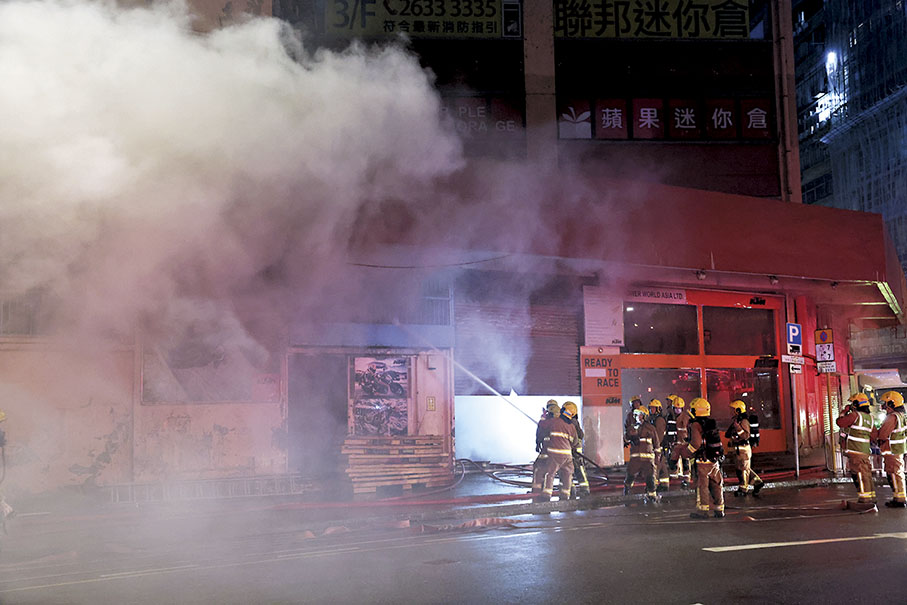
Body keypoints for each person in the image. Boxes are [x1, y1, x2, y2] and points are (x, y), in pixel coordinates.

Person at [671, 397, 724, 518]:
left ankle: (702, 511)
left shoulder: (696, 424)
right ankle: (719, 509)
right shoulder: (710, 423)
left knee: (702, 486)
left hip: (702, 461)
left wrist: (687, 453)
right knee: (716, 484)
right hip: (714, 460)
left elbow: (696, 443)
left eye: (693, 409)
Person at [534, 402, 579, 503]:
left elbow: (542, 425)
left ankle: (546, 495)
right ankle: (565, 496)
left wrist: (544, 416)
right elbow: (575, 442)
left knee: (550, 474)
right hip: (567, 455)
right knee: (567, 476)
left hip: (555, 454)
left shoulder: (554, 421)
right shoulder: (571, 426)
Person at [836, 393, 876, 504]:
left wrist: (844, 412)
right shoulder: (870, 418)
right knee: (866, 474)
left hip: (855, 451)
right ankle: (871, 496)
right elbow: (873, 436)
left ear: (855, 404)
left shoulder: (855, 415)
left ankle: (864, 498)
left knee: (859, 475)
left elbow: (840, 422)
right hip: (864, 451)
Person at [873, 391, 906, 508]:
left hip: (891, 451)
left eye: (886, 404)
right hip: (897, 450)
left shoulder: (892, 417)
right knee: (897, 473)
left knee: (893, 474)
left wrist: (875, 433)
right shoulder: (901, 416)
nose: (884, 407)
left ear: (892, 403)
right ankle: (899, 497)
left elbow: (883, 434)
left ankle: (899, 499)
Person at [725, 400, 764, 497]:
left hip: (744, 449)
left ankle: (743, 489)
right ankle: (757, 482)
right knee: (743, 468)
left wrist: (738, 428)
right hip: (738, 449)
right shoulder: (737, 420)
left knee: (743, 469)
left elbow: (746, 435)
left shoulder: (744, 421)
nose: (731, 411)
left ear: (738, 410)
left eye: (733, 409)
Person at [624, 406, 659, 504]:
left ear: (644, 416)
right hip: (635, 459)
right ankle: (627, 491)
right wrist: (630, 435)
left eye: (639, 415)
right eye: (636, 415)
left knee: (650, 477)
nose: (636, 417)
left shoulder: (651, 428)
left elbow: (656, 444)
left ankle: (652, 495)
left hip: (648, 459)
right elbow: (625, 440)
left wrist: (657, 459)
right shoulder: (632, 427)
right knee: (630, 474)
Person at [531, 400, 561, 495]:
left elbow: (540, 431)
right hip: (561, 450)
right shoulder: (563, 419)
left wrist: (538, 443)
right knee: (563, 470)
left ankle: (538, 489)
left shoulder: (547, 420)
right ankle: (567, 490)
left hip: (548, 449)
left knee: (539, 467)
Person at [562, 401, 591, 498]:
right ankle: (579, 489)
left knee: (575, 470)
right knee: (575, 470)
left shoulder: (571, 422)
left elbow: (579, 435)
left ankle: (579, 490)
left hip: (574, 452)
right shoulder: (571, 421)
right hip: (572, 451)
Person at [666, 395, 691, 487]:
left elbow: (690, 431)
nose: (677, 410)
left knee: (685, 463)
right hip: (675, 445)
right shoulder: (671, 417)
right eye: (676, 408)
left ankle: (686, 480)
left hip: (684, 444)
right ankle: (673, 479)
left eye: (679, 409)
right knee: (672, 461)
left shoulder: (686, 418)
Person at [648, 399, 670, 492]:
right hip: (659, 447)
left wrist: (655, 446)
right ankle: (665, 485)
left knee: (656, 466)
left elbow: (659, 435)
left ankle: (654, 487)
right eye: (650, 408)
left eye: (653, 408)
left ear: (658, 409)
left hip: (659, 447)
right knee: (662, 466)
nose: (651, 410)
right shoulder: (653, 419)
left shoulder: (659, 420)